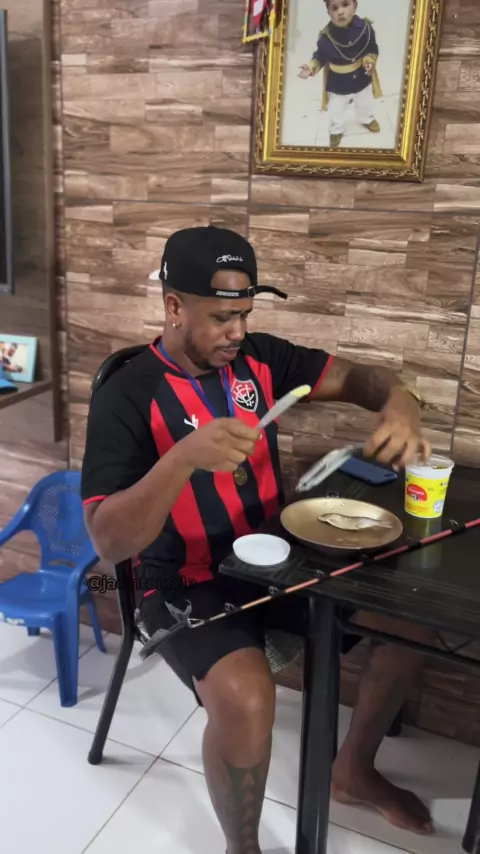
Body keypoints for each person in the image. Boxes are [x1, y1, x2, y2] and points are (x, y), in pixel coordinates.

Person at [81, 225, 435, 853]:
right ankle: (242, 847)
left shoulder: (261, 360)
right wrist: (181, 460)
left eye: (245, 314)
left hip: (279, 557)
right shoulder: (128, 393)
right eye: (222, 317)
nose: (237, 332)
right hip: (181, 579)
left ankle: (353, 771)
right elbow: (109, 542)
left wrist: (401, 403)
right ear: (174, 306)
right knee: (246, 700)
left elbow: (361, 379)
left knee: (411, 620)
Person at [299, 0, 382, 148]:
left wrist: (369, 60)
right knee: (336, 108)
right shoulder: (326, 36)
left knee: (365, 101)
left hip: (361, 75)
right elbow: (320, 55)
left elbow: (371, 47)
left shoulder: (365, 28)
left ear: (355, 6)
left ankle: (366, 118)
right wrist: (311, 67)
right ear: (328, 12)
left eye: (345, 4)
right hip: (338, 80)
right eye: (335, 8)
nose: (341, 12)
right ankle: (336, 129)